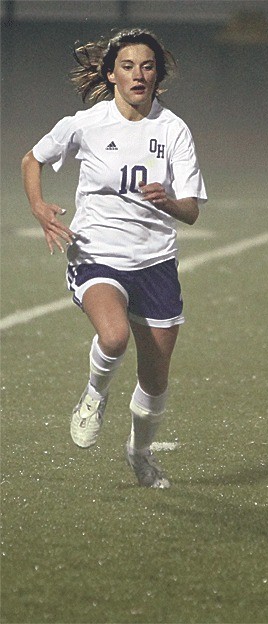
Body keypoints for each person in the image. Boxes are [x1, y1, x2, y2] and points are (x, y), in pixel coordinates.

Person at [21, 28, 207, 489]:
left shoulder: (174, 130)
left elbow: (192, 211)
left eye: (147, 66)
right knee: (115, 334)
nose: (138, 74)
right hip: (96, 253)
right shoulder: (87, 124)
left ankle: (139, 453)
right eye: (127, 66)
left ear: (157, 75)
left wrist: (169, 202)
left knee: (156, 380)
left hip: (156, 262)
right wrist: (40, 209)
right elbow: (32, 159)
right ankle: (93, 395)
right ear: (111, 73)